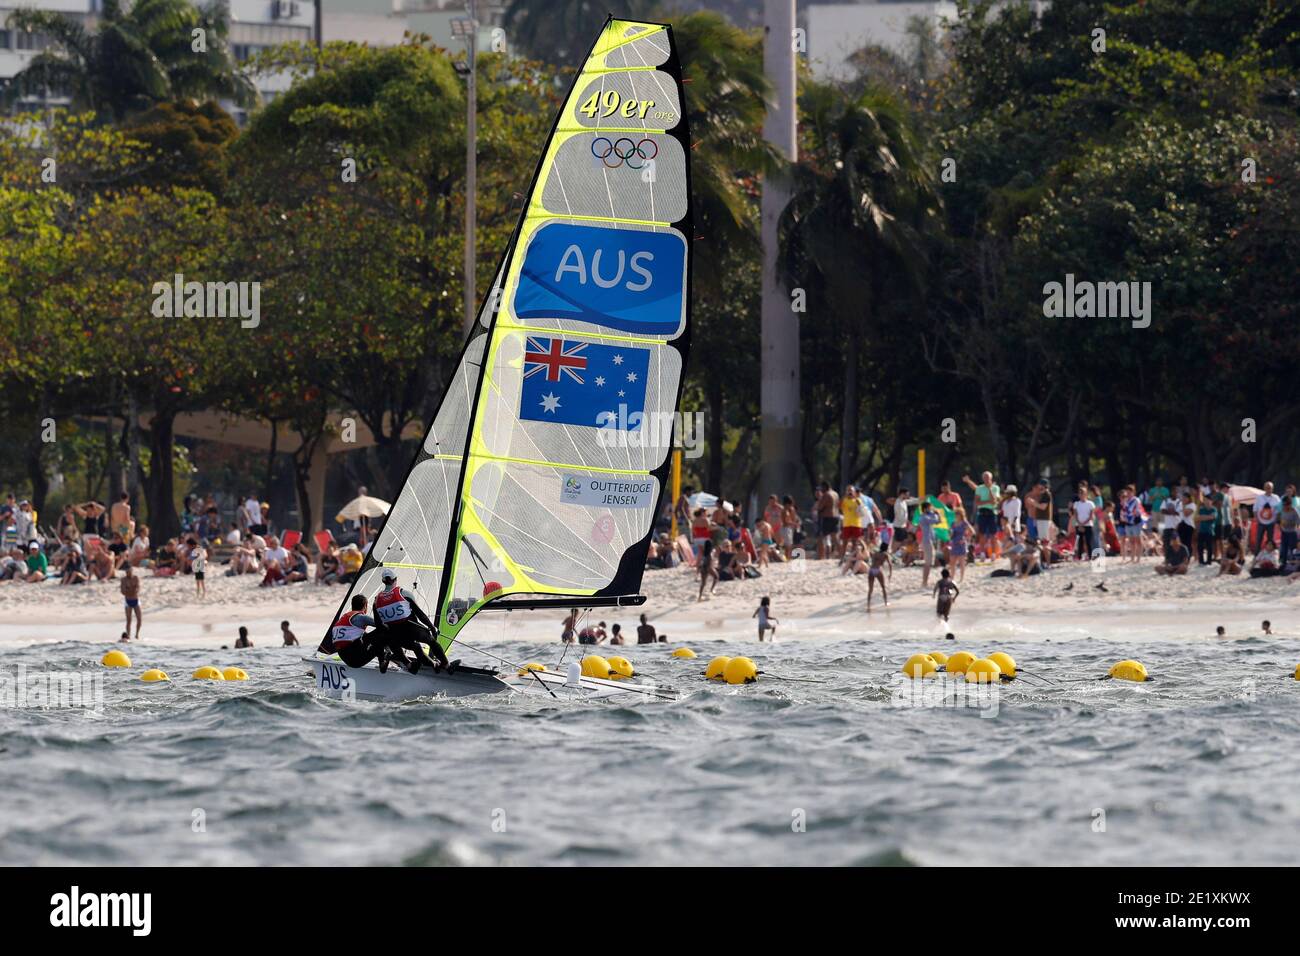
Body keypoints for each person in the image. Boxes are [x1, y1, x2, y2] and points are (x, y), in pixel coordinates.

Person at [371, 568, 448, 673]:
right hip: (411, 629)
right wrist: (431, 627)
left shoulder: (376, 601)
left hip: (396, 634)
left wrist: (387, 640)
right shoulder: (404, 593)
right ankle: (446, 665)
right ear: (395, 579)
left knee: (416, 648)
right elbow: (421, 615)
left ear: (383, 582)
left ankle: (433, 665)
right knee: (431, 641)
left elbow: (378, 625)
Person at [962, 472, 1001, 557]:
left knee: (993, 534)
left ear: (991, 478)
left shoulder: (995, 488)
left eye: (987, 478)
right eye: (984, 478)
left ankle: (993, 553)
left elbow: (995, 500)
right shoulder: (980, 488)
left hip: (992, 512)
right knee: (981, 533)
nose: (986, 480)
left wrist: (989, 489)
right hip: (982, 512)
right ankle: (982, 553)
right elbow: (977, 502)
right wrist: (988, 502)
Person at [916, 500, 942, 587]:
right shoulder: (924, 518)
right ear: (926, 508)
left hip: (928, 540)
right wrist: (937, 513)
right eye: (929, 507)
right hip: (927, 541)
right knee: (928, 562)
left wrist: (934, 513)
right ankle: (924, 581)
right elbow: (937, 521)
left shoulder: (925, 516)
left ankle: (925, 580)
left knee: (929, 562)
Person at [866, 542, 892, 610]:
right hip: (878, 570)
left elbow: (872, 561)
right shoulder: (885, 554)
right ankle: (886, 602)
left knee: (870, 589)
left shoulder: (875, 553)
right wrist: (890, 574)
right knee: (883, 587)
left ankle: (868, 605)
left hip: (871, 570)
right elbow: (890, 565)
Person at [121, 563, 141, 639]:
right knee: (129, 620)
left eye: (129, 571)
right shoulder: (123, 580)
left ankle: (137, 634)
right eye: (126, 572)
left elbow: (137, 590)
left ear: (132, 570)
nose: (128, 573)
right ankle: (128, 635)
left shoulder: (136, 578)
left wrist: (129, 590)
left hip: (136, 600)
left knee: (139, 618)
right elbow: (123, 591)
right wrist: (131, 590)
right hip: (128, 601)